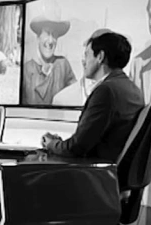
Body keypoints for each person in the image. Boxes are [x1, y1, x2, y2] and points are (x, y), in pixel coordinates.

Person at [42, 32, 145, 161]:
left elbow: (77, 148)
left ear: (100, 57)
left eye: (87, 55)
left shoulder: (106, 91)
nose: (83, 61)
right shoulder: (134, 90)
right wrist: (59, 144)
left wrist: (51, 144)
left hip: (96, 168)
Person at [22, 6, 76, 105]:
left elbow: (74, 95)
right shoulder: (26, 70)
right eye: (47, 33)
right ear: (38, 37)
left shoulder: (63, 65)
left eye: (54, 35)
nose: (50, 41)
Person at [52, 28, 112, 106]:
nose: (83, 61)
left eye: (87, 55)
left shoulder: (121, 95)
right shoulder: (62, 100)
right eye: (86, 55)